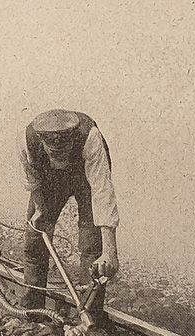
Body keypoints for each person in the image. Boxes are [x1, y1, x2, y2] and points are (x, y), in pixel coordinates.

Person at [19, 109, 120, 323]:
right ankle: (32, 310)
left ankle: (90, 317)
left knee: (92, 247)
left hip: (86, 182)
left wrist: (110, 252)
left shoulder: (90, 138)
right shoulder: (28, 139)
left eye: (64, 152)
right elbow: (31, 177)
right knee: (35, 241)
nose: (60, 159)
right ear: (43, 142)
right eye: (54, 153)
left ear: (73, 141)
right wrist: (39, 209)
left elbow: (102, 192)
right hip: (49, 182)